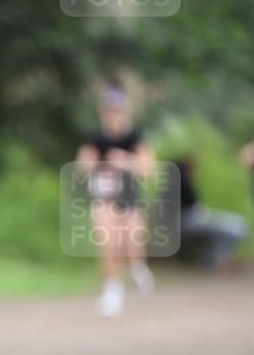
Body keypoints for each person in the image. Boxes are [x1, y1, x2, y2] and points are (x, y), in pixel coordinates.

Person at [75, 87, 156, 318]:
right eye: (109, 111)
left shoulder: (135, 136)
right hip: (104, 197)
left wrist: (126, 161)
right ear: (102, 113)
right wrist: (91, 163)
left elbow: (148, 168)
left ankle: (137, 269)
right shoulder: (95, 138)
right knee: (108, 241)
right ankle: (112, 289)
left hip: (131, 197)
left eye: (118, 111)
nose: (114, 115)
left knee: (132, 243)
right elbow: (82, 166)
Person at [174, 157, 248, 270]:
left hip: (186, 223)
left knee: (224, 228)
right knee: (229, 227)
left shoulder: (172, 187)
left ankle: (219, 262)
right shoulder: (184, 186)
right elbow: (195, 213)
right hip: (188, 223)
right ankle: (221, 263)